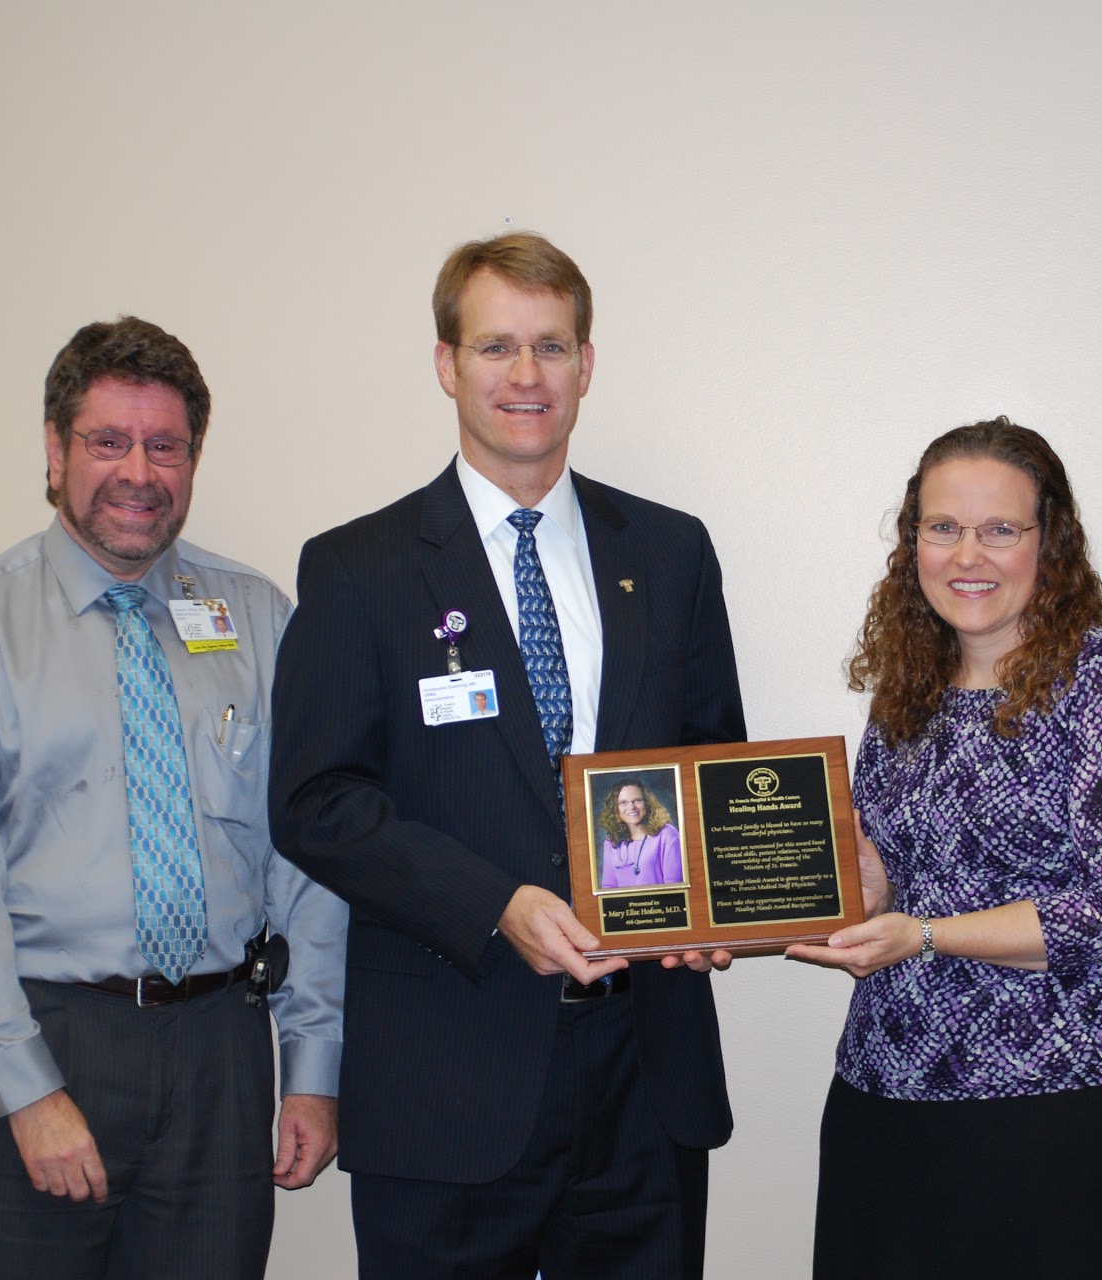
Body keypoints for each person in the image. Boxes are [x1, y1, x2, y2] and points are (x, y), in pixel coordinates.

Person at [268, 231, 745, 1278]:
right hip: (449, 1074)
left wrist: (721, 898)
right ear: (446, 364)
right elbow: (317, 801)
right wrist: (498, 901)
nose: (526, 376)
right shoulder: (360, 568)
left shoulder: (668, 553)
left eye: (552, 347)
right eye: (496, 347)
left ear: (586, 364)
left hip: (643, 1072)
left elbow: (715, 762)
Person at [0, 317, 346, 1279]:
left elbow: (307, 864)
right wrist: (26, 1090)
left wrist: (314, 1068)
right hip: (41, 1038)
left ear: (193, 457)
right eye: (108, 441)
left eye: (165, 446)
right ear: (53, 449)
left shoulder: (260, 620)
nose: (138, 472)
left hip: (220, 1053)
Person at [788, 418, 1102, 1278]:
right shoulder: (911, 682)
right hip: (887, 1097)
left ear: (1052, 542)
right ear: (914, 542)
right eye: (943, 528)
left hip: (1064, 1113)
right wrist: (802, 894)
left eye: (1000, 529)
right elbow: (888, 873)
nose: (969, 555)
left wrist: (927, 934)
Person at [598, 778, 684, 888]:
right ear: (615, 809)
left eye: (637, 800)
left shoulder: (667, 834)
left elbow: (674, 885)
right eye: (623, 802)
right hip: (624, 905)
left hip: (659, 904)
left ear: (647, 803)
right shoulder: (611, 842)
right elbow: (608, 887)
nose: (631, 807)